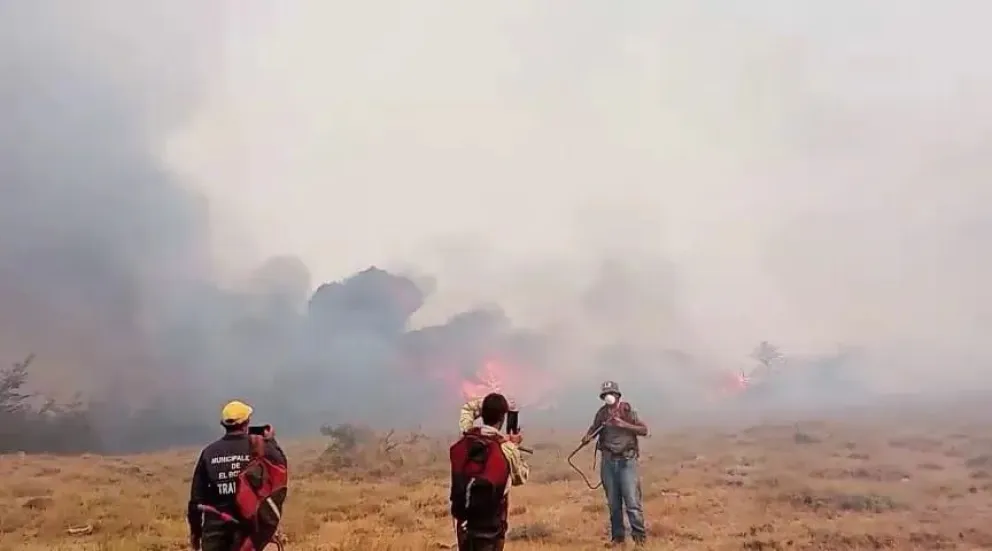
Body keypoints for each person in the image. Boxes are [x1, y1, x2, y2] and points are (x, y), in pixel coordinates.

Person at [187, 400, 288, 551]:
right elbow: (281, 469)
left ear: (224, 424)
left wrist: (195, 533)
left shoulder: (208, 452)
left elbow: (196, 501)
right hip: (251, 533)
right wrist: (271, 441)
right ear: (247, 422)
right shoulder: (261, 446)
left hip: (214, 535)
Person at [450, 393, 529, 551]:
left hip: (464, 522)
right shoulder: (506, 448)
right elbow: (521, 477)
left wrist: (488, 405)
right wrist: (514, 447)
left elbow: (467, 409)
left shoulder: (467, 436)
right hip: (492, 525)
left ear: (482, 414)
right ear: (502, 418)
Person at [580, 381, 649, 547]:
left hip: (627, 461)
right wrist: (588, 437)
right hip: (609, 462)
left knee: (632, 502)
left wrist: (623, 424)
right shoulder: (602, 414)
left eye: (611, 393)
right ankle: (618, 539)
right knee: (613, 503)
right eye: (605, 394)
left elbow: (644, 430)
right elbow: (594, 429)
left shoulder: (627, 410)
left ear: (618, 395)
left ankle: (640, 540)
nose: (608, 397)